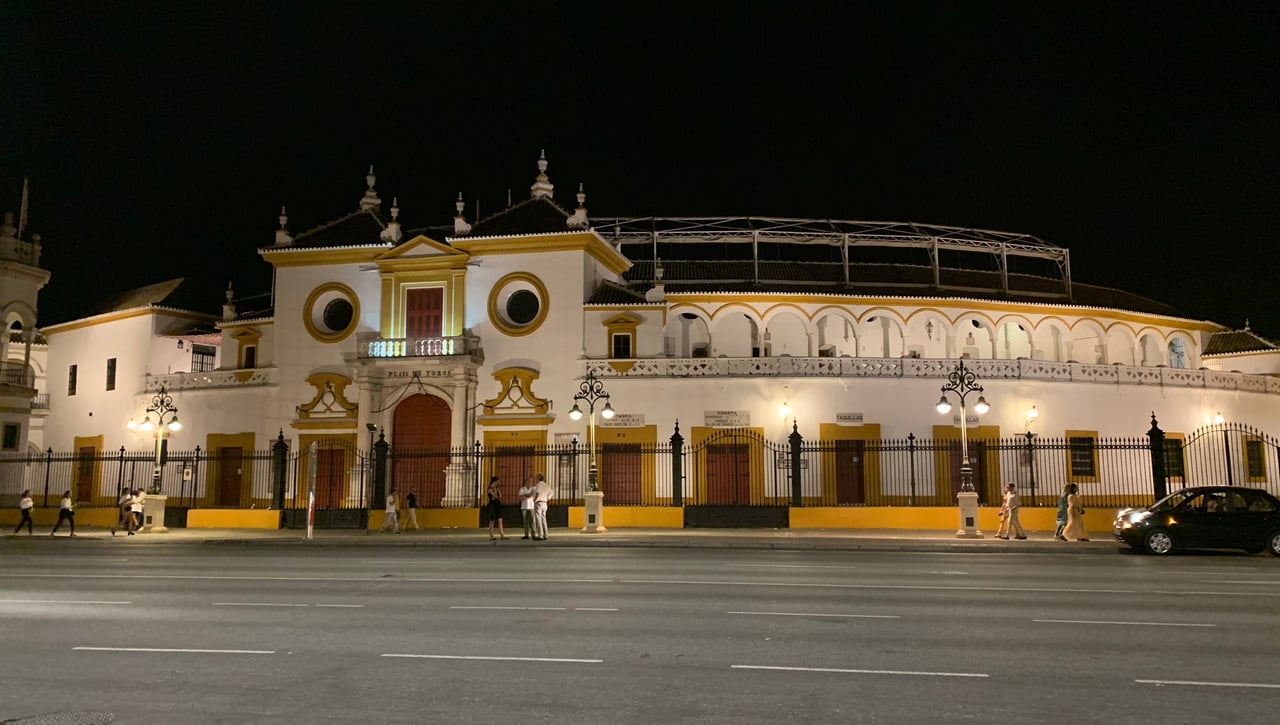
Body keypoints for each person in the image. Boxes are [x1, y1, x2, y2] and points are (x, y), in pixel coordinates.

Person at [486, 476, 508, 541]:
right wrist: (494, 490)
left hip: (498, 504)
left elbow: (500, 496)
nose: (499, 482)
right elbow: (494, 497)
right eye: (498, 481)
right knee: (492, 520)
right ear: (494, 481)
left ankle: (502, 535)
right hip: (492, 505)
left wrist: (497, 489)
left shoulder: (496, 488)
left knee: (500, 520)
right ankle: (491, 535)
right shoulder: (490, 489)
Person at [532, 473, 550, 541]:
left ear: (538, 478)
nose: (535, 479)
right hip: (545, 503)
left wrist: (535, 500)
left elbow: (537, 493)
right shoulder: (546, 485)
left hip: (539, 503)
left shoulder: (538, 485)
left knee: (538, 519)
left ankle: (541, 535)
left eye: (536, 478)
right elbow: (551, 493)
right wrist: (547, 498)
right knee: (544, 519)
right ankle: (546, 535)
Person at [518, 476, 536, 540]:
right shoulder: (522, 489)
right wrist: (529, 495)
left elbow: (532, 495)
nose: (530, 483)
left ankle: (534, 534)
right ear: (525, 482)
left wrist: (525, 495)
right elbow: (521, 497)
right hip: (524, 507)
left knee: (533, 521)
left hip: (532, 507)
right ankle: (526, 535)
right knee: (525, 521)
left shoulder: (534, 488)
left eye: (531, 481)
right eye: (528, 481)